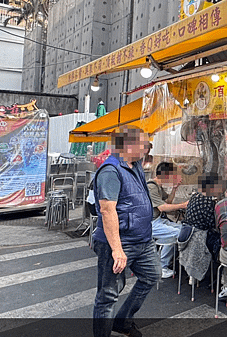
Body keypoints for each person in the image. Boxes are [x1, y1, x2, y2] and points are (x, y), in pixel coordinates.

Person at [92, 126, 159, 337]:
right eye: (144, 144)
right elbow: (107, 209)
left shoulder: (134, 164)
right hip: (121, 242)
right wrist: (117, 249)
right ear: (129, 145)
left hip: (142, 240)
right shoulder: (110, 170)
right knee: (108, 295)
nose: (147, 149)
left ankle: (122, 321)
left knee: (152, 275)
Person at [147, 161, 188, 278]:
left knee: (182, 228)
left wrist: (174, 189)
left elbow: (167, 202)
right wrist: (183, 205)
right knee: (179, 233)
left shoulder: (158, 187)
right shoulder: (151, 187)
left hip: (158, 220)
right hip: (150, 224)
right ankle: (162, 266)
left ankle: (161, 261)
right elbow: (163, 207)